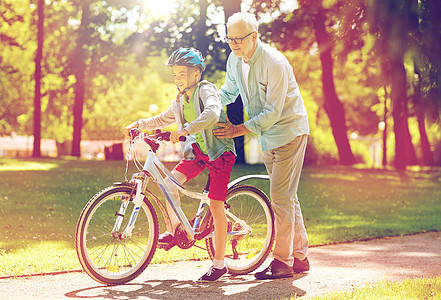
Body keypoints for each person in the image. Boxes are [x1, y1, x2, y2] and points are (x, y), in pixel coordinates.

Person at [124, 48, 236, 282]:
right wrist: (140, 123)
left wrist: (186, 130)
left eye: (182, 74)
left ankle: (219, 263)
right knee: (169, 183)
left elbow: (213, 112)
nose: (178, 80)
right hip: (198, 153)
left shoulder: (206, 90)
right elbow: (164, 118)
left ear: (197, 73)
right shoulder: (180, 99)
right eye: (175, 75)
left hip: (219, 153)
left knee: (216, 205)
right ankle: (177, 231)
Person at [213, 12, 310, 280]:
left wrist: (237, 130)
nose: (233, 44)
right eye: (229, 38)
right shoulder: (235, 60)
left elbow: (272, 113)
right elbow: (228, 92)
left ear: (254, 36)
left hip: (289, 133)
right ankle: (300, 256)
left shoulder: (274, 63)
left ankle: (282, 262)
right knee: (288, 197)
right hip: (267, 137)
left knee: (281, 198)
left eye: (239, 39)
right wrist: (205, 103)